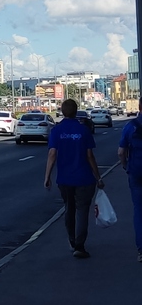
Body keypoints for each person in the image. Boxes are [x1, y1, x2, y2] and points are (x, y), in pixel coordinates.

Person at [44, 98, 104, 258]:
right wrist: (98, 176)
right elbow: (90, 156)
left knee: (69, 209)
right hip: (84, 178)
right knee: (82, 211)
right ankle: (79, 245)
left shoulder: (56, 131)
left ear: (62, 111)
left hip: (64, 179)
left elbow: (52, 154)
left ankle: (71, 241)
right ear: (76, 111)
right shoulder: (83, 130)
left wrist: (47, 176)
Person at [117, 102, 142, 261]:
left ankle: (141, 250)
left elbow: (121, 152)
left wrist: (125, 166)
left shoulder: (131, 126)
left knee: (139, 211)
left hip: (136, 172)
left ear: (139, 107)